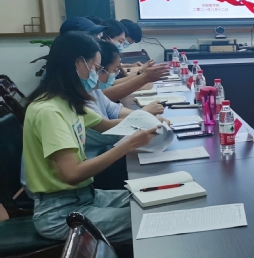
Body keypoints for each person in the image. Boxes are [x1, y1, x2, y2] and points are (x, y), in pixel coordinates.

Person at [22, 31, 159, 241]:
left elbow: (107, 126)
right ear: (79, 64)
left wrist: (146, 121)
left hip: (87, 196)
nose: (98, 74)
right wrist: (128, 144)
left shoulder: (67, 101)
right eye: (96, 68)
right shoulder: (49, 111)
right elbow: (72, 173)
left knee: (155, 199)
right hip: (59, 213)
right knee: (148, 219)